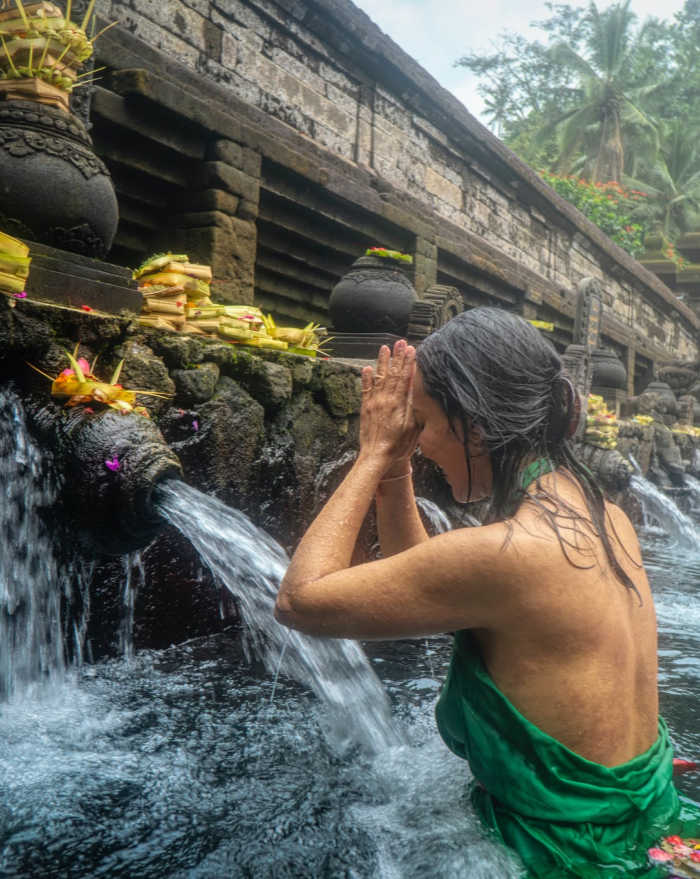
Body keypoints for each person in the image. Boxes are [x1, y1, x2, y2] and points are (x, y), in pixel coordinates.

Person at [274, 307, 681, 877]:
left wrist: (370, 455)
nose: (418, 442)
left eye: (422, 423)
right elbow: (424, 578)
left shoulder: (513, 553)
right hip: (649, 822)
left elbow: (300, 599)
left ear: (476, 426)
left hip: (564, 855)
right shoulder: (607, 517)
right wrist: (395, 471)